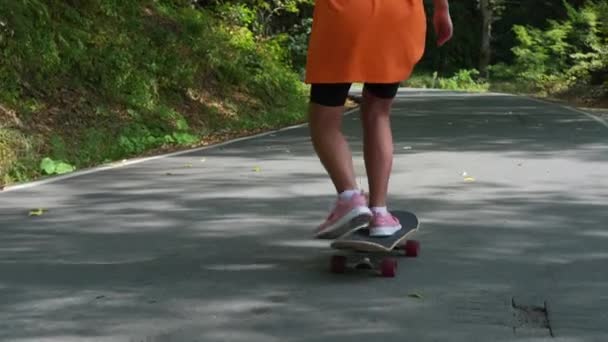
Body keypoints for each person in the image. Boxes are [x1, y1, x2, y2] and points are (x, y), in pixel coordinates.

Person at [305, 0, 453, 239]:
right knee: (378, 111)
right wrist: (441, 9)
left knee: (324, 120)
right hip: (398, 18)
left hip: (345, 15)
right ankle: (379, 213)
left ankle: (350, 197)